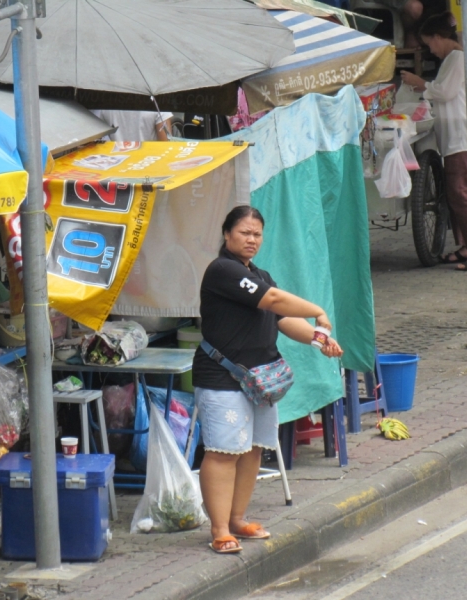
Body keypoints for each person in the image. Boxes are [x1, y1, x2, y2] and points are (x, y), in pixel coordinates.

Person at [192, 206, 343, 554]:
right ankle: (219, 529)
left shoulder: (259, 274)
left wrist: (318, 339)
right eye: (244, 232)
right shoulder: (222, 271)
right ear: (227, 233)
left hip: (259, 380)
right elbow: (274, 300)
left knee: (253, 449)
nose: (251, 239)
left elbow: (281, 318)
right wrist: (318, 311)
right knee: (223, 451)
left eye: (257, 234)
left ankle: (238, 518)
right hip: (222, 376)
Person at [400, 11, 467, 271]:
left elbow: (444, 92)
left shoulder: (457, 58)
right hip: (455, 137)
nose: (430, 49)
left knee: (461, 194)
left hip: (461, 138)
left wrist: (420, 83)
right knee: (457, 194)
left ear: (439, 38)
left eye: (430, 43)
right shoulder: (454, 59)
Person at [92, 109, 173, 142]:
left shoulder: (105, 104)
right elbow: (165, 144)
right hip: (148, 164)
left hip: (118, 164)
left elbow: (93, 137)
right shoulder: (157, 105)